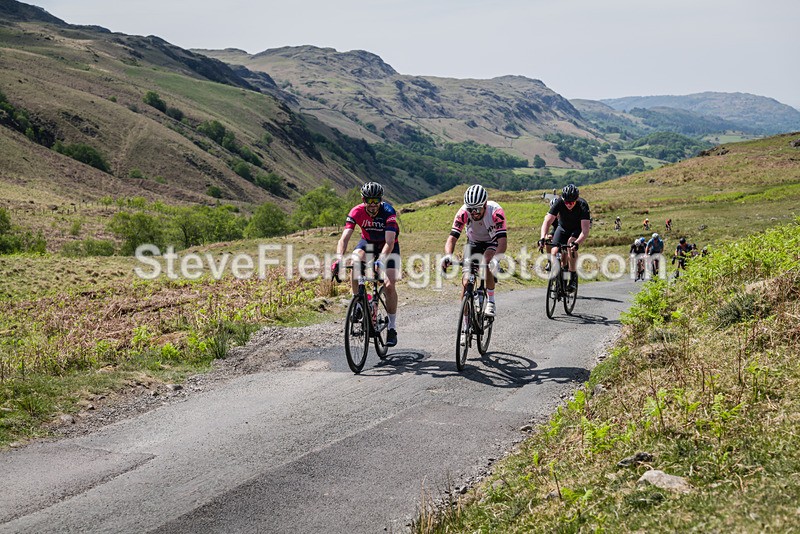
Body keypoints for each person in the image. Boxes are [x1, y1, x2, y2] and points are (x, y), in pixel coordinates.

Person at [331, 182, 400, 347]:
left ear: (380, 200)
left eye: (376, 200)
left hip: (388, 247)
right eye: (369, 201)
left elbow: (390, 242)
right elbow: (344, 238)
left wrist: (381, 260)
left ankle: (391, 327)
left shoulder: (388, 212)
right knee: (355, 263)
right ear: (363, 200)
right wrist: (338, 259)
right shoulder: (356, 211)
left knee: (389, 285)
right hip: (367, 243)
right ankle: (360, 302)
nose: (373, 205)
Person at [441, 185, 507, 344]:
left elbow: (502, 242)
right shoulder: (463, 212)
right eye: (471, 209)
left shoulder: (496, 212)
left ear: (485, 205)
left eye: (477, 209)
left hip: (492, 242)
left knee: (486, 262)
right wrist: (448, 256)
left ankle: (490, 302)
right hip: (473, 243)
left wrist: (496, 259)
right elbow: (452, 238)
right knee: (466, 283)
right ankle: (465, 327)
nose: (474, 213)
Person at [538, 183, 590, 293]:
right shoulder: (559, 202)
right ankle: (558, 277)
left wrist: (577, 242)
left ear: (577, 199)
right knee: (554, 250)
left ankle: (572, 276)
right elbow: (547, 221)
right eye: (566, 202)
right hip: (562, 228)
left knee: (571, 245)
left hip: (576, 229)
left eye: (571, 202)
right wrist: (542, 237)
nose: (569, 204)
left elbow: (585, 231)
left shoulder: (583, 205)